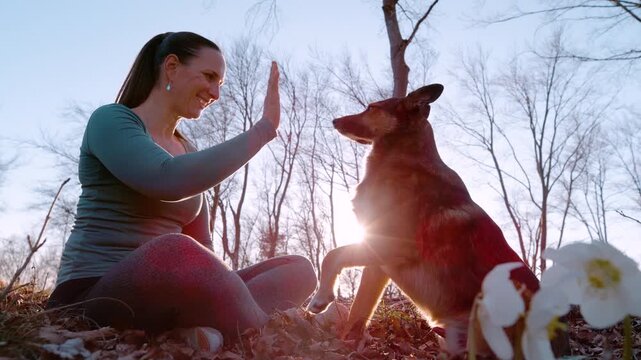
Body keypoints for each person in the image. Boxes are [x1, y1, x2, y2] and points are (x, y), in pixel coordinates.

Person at [47, 31, 317, 341]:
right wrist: (263, 131)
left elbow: (205, 253)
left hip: (169, 293)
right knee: (174, 250)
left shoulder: (187, 150)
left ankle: (208, 330)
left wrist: (220, 286)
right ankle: (264, 330)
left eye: (221, 83)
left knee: (299, 268)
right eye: (209, 76)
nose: (215, 92)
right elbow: (167, 179)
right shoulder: (111, 121)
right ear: (172, 67)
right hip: (90, 295)